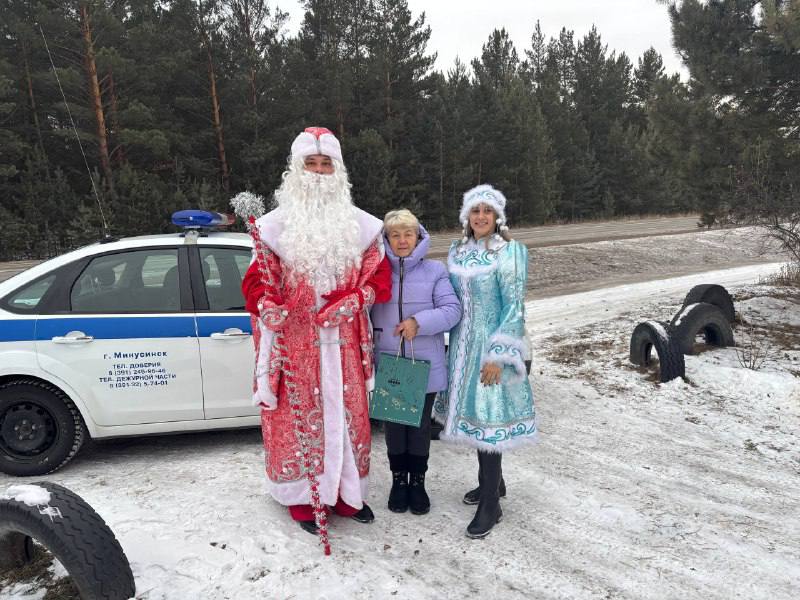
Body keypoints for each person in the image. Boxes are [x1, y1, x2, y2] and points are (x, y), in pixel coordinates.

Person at [241, 126, 392, 541]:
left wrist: (356, 299)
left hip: (343, 346)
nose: (320, 171)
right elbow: (255, 282)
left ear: (338, 171)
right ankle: (304, 499)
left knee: (347, 421)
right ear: (297, 169)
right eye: (312, 163)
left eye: (327, 164)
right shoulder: (272, 228)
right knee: (299, 422)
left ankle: (346, 496)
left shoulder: (361, 226)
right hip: (297, 345)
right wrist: (266, 306)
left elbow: (379, 278)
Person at [433, 184, 536, 539]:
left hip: (491, 349)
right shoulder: (457, 250)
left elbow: (514, 308)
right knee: (476, 418)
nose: (480, 217)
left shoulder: (509, 253)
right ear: (466, 216)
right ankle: (493, 484)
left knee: (489, 420)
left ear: (497, 217)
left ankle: (491, 504)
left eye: (487, 212)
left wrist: (498, 355)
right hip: (462, 347)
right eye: (475, 211)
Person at [370, 209, 461, 515]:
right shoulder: (376, 270)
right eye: (395, 235)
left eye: (408, 233)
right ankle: (399, 481)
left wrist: (419, 322)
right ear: (387, 239)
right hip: (391, 363)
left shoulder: (435, 271)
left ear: (419, 237)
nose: (402, 240)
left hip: (424, 365)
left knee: (420, 427)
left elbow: (452, 310)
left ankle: (418, 482)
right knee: (395, 427)